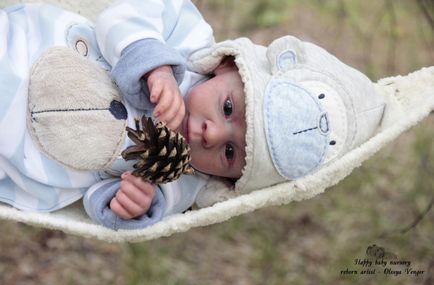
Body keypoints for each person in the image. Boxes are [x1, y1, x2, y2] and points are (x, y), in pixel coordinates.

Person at [0, 0, 385, 230]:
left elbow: (104, 204)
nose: (212, 134)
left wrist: (132, 202)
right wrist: (156, 65)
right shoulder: (187, 40)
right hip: (20, 51)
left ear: (227, 178)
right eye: (228, 108)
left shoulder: (183, 183)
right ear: (227, 67)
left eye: (230, 153)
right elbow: (121, 14)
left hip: (19, 164)